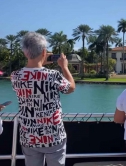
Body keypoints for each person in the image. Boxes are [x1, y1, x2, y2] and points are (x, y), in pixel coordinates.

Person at [10, 32, 75, 166]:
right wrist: (64, 67)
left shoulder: (15, 76)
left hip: (29, 136)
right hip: (53, 136)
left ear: (25, 53)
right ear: (44, 52)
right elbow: (70, 88)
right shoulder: (53, 75)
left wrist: (40, 59)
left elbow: (33, 74)